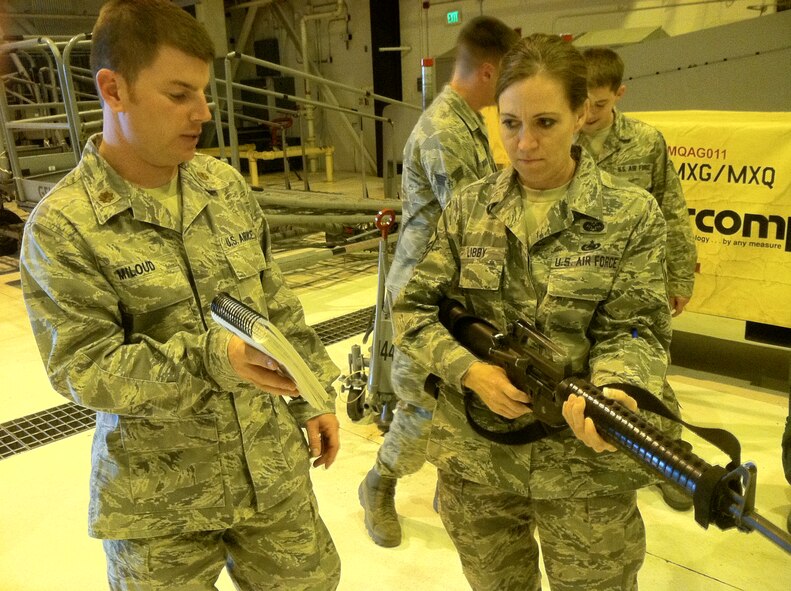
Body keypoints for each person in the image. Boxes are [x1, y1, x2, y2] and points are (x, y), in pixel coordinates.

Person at [19, 1, 341, 589]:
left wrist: (313, 391)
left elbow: (275, 299)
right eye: (178, 94)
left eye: (204, 92)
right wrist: (214, 357)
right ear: (114, 90)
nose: (204, 112)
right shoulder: (63, 227)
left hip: (269, 475)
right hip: (159, 504)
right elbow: (84, 368)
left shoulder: (222, 185)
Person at [391, 33, 675, 591]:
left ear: (580, 115)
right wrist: (467, 370)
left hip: (584, 469)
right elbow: (413, 308)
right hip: (478, 464)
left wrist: (619, 391)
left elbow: (637, 330)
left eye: (545, 122)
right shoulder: (471, 206)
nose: (525, 144)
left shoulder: (630, 214)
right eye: (510, 123)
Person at [358, 16, 520, 548]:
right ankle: (378, 484)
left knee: (456, 406)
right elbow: (475, 220)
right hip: (425, 297)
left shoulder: (470, 120)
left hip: (456, 289)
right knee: (423, 406)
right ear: (490, 72)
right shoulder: (447, 129)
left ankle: (447, 485)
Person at [578, 47, 698, 511]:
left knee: (648, 375)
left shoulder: (646, 142)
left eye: (600, 104)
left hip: (635, 278)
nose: (588, 115)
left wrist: (678, 275)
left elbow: (672, 208)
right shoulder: (560, 136)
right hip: (580, 276)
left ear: (619, 95)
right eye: (581, 102)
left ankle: (672, 458)